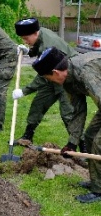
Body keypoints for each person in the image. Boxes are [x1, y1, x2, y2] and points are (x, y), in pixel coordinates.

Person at [32, 46, 101, 203]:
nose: (52, 83)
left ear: (55, 73)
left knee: (99, 142)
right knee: (90, 136)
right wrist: (72, 142)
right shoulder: (68, 80)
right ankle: (96, 180)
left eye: (49, 79)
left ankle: (99, 191)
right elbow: (78, 111)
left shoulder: (85, 73)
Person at [12, 17, 86, 151]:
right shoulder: (41, 33)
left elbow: (42, 76)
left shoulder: (48, 44)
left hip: (66, 75)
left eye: (26, 38)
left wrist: (24, 91)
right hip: (51, 75)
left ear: (35, 33)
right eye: (23, 39)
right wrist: (29, 51)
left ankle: (83, 147)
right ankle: (27, 136)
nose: (25, 41)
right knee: (38, 103)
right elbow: (40, 51)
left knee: (68, 113)